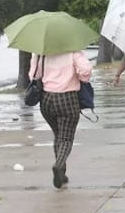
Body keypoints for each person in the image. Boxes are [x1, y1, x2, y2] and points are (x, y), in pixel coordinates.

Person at [30, 51, 92, 188]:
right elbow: (85, 71)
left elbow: (34, 75)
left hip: (46, 99)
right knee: (66, 138)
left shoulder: (41, 51)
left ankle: (62, 174)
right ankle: (58, 166)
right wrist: (80, 76)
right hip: (67, 98)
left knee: (58, 135)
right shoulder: (73, 50)